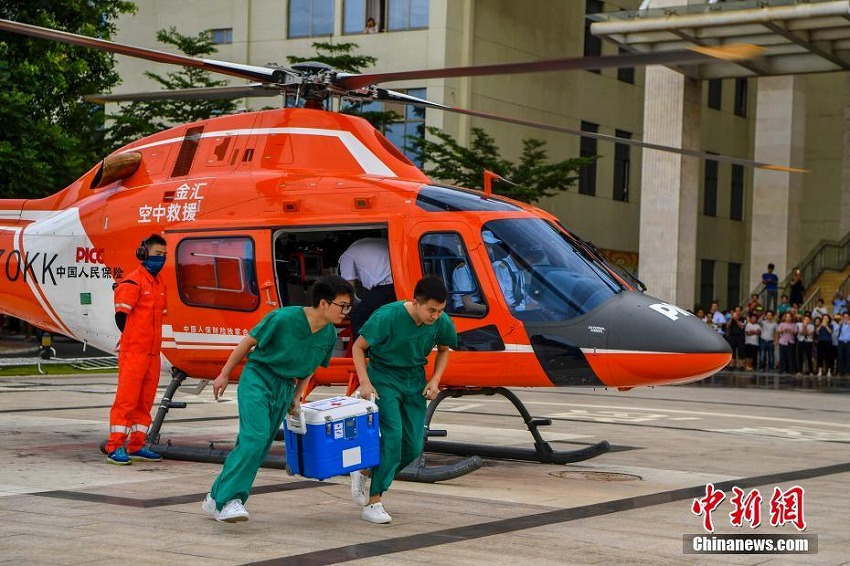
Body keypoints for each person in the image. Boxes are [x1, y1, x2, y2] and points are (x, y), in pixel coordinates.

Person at [201, 276, 354, 522]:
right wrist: (224, 374)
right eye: (342, 306)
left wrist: (297, 396)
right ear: (324, 303)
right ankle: (229, 501)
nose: (346, 312)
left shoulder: (327, 334)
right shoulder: (283, 318)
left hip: (284, 387)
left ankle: (215, 497)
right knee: (255, 439)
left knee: (258, 446)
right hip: (259, 378)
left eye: (348, 307)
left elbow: (309, 367)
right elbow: (248, 342)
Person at [349, 276, 457, 524]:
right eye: (431, 310)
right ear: (415, 302)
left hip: (414, 381)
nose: (435, 316)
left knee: (412, 447)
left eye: (440, 311)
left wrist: (435, 380)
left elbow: (443, 350)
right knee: (393, 439)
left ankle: (366, 470)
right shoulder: (387, 315)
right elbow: (358, 347)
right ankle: (374, 502)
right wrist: (365, 382)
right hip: (384, 378)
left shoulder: (441, 321)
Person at [106, 234, 168, 465]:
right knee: (127, 400)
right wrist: (131, 339)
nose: (161, 258)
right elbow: (121, 317)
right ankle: (115, 446)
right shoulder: (132, 282)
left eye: (164, 255)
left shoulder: (160, 284)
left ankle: (137, 444)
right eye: (157, 254)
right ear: (144, 253)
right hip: (134, 352)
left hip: (152, 352)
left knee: (145, 400)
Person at [339, 237, 395, 340]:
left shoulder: (347, 255)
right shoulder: (368, 244)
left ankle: (361, 349)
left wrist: (345, 309)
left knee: (359, 317)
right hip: (401, 283)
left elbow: (348, 288)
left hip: (386, 286)